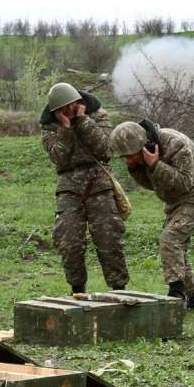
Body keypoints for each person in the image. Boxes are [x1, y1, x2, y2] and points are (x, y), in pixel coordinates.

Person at [109, 120, 194, 311]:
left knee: (170, 239)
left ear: (142, 146)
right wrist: (138, 168)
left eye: (129, 156)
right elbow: (152, 185)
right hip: (176, 203)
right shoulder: (142, 155)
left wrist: (155, 164)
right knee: (176, 251)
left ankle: (176, 295)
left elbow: (184, 182)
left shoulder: (176, 144)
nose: (127, 161)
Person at [40, 82, 129, 294]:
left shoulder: (97, 114)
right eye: (63, 108)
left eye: (72, 105)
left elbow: (105, 149)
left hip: (99, 183)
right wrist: (66, 129)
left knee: (110, 240)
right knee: (69, 241)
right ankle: (77, 290)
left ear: (78, 101)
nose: (69, 110)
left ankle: (120, 290)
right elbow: (58, 156)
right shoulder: (49, 125)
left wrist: (82, 120)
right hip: (69, 186)